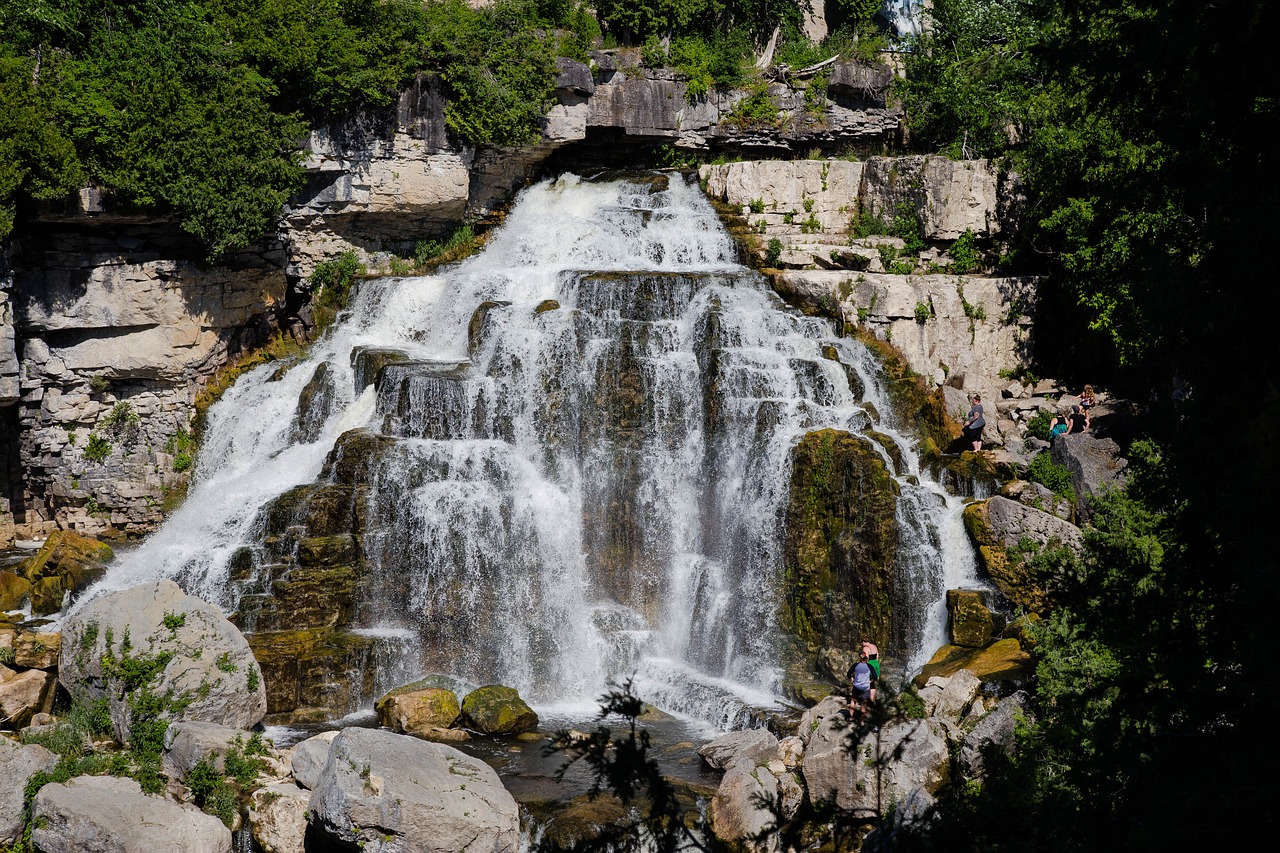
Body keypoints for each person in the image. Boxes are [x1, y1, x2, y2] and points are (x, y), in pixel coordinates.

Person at [847, 649, 878, 724]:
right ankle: (862, 720)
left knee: (853, 701)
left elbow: (848, 673)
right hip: (865, 688)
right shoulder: (869, 666)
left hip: (856, 686)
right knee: (864, 704)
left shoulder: (855, 665)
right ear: (866, 659)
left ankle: (851, 717)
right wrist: (871, 681)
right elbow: (875, 676)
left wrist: (851, 678)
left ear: (860, 658)